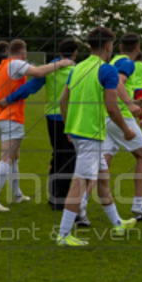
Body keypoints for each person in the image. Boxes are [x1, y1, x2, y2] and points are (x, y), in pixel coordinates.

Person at [56, 27, 139, 246]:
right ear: (109, 46)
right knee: (80, 183)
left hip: (80, 132)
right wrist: (126, 129)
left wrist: (68, 127)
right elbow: (112, 107)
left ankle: (118, 224)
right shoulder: (107, 70)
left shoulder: (78, 68)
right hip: (90, 134)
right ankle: (63, 234)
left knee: (102, 179)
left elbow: (62, 100)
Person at [0, 39, 74, 213]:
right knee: (6, 157)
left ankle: (17, 194)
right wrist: (60, 63)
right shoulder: (15, 63)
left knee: (14, 156)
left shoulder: (0, 68)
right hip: (11, 117)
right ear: (23, 53)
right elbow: (39, 72)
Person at [108, 32, 142, 221]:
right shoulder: (128, 62)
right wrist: (130, 104)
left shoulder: (112, 61)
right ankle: (138, 205)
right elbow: (118, 83)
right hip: (121, 116)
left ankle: (81, 205)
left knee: (102, 161)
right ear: (137, 48)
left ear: (120, 47)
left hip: (105, 115)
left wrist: (134, 101)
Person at [40, 39, 80, 212]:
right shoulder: (76, 70)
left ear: (60, 52)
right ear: (75, 52)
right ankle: (60, 199)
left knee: (57, 155)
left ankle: (53, 196)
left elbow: (32, 85)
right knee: (68, 159)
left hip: (51, 117)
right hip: (68, 118)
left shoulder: (51, 70)